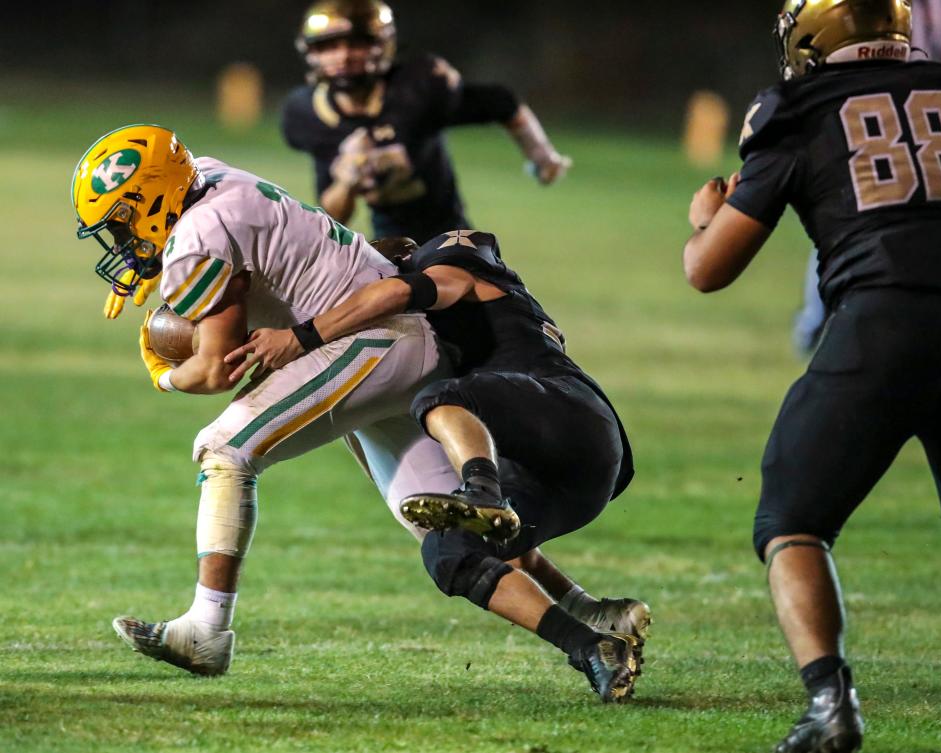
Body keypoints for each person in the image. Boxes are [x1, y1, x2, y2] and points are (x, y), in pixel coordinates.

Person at [71, 125, 647, 701]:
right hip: (378, 335)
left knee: (225, 450)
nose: (121, 240)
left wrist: (162, 369)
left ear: (151, 200)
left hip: (370, 335)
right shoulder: (212, 176)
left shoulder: (196, 236)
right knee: (446, 533)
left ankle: (205, 630)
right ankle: (588, 627)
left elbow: (217, 369)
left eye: (122, 222)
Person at [683, 1, 941, 750]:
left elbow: (709, 271)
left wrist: (705, 215)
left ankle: (830, 704)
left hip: (884, 321)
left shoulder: (795, 107)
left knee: (793, 520)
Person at [225, 230, 644, 702]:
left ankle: (482, 492)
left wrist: (302, 336)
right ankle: (592, 647)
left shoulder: (449, 262)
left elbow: (409, 291)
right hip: (560, 481)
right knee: (450, 553)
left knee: (443, 398)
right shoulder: (402, 354)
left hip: (572, 417)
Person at [281, 0, 571, 243]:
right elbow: (334, 214)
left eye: (357, 44)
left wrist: (542, 155)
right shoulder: (307, 113)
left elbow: (500, 102)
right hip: (389, 238)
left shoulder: (416, 89)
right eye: (329, 46)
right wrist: (346, 181)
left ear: (383, 46)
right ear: (311, 51)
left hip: (451, 233)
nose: (343, 56)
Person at [792, 0, 941, 354]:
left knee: (850, 214)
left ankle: (820, 321)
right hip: (928, 123)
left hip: (893, 119)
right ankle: (820, 320)